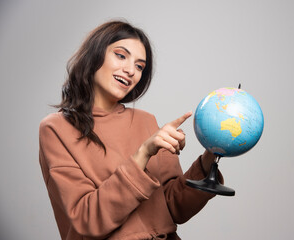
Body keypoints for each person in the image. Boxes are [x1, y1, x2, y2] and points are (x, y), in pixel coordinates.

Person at [39, 20, 221, 240]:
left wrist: (210, 156)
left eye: (139, 66)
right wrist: (143, 154)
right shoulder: (56, 128)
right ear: (94, 55)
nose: (130, 71)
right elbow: (86, 220)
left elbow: (174, 208)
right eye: (121, 55)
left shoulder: (146, 121)